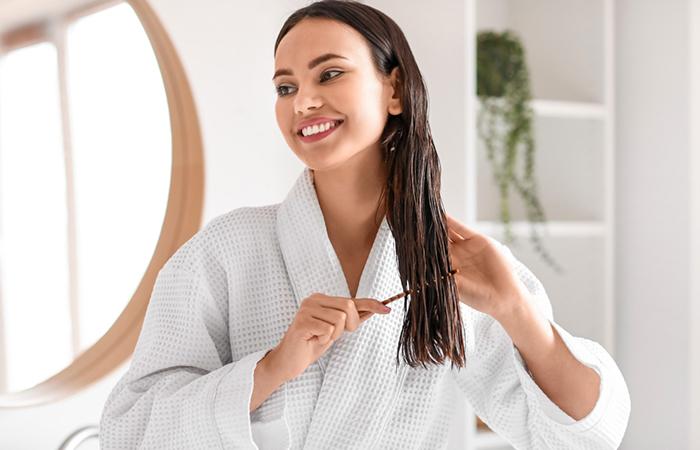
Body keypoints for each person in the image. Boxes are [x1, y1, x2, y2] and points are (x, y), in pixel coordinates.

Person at [99, 1, 631, 448]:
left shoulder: (452, 265)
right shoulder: (224, 252)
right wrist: (273, 367)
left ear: (394, 90)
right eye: (285, 88)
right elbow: (129, 431)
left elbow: (590, 434)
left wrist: (517, 311)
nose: (303, 101)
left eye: (329, 73)